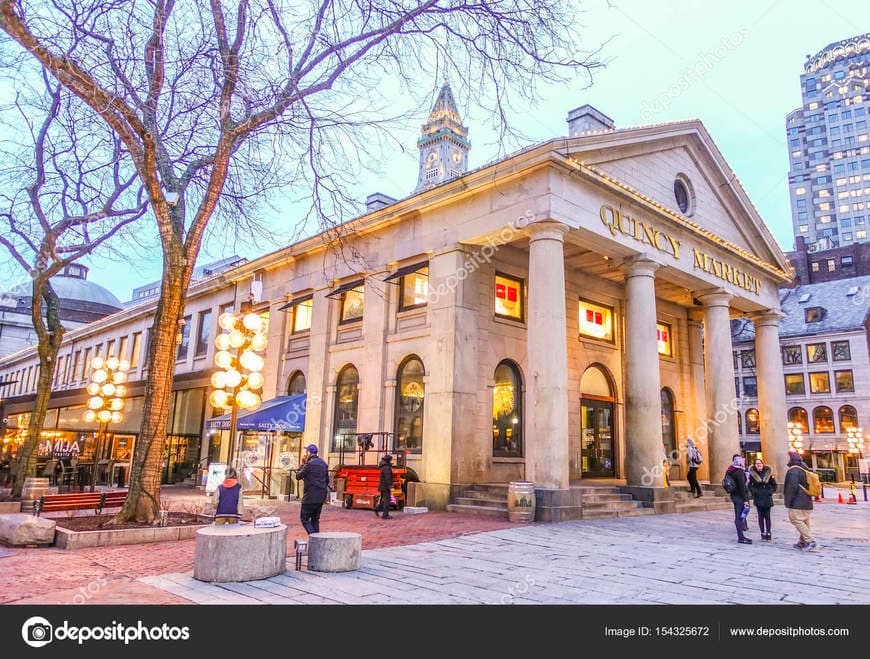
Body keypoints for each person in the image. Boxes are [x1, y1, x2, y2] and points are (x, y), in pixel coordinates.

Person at [784, 451, 815, 550]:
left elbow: (791, 487)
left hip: (798, 502)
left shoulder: (793, 471)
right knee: (805, 522)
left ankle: (809, 540)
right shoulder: (804, 469)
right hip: (807, 501)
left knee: (795, 519)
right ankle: (803, 541)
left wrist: (788, 501)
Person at [294, 444, 329, 534]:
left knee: (304, 518)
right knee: (315, 519)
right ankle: (317, 540)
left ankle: (314, 536)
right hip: (321, 496)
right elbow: (327, 481)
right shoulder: (323, 463)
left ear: (309, 453)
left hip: (310, 497)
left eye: (306, 452)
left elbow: (298, 476)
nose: (305, 453)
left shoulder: (308, 464)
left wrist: (303, 464)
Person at [725, 454, 752, 544]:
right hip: (740, 497)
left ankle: (741, 536)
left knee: (738, 515)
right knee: (740, 517)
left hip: (734, 495)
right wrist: (745, 500)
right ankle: (741, 537)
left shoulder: (730, 470)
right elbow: (742, 487)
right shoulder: (739, 472)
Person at [748, 458, 776, 541]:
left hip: (767, 497)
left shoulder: (769, 473)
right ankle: (762, 532)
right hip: (758, 497)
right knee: (760, 516)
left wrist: (770, 492)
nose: (758, 465)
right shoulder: (752, 474)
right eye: (756, 464)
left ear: (763, 464)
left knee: (767, 516)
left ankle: (768, 532)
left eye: (760, 463)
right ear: (755, 465)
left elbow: (774, 485)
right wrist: (755, 492)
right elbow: (750, 485)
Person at [375, 454, 394, 519]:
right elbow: (388, 478)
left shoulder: (384, 466)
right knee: (387, 500)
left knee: (385, 500)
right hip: (385, 486)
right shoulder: (386, 468)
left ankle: (377, 509)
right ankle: (385, 514)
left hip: (383, 486)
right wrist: (391, 486)